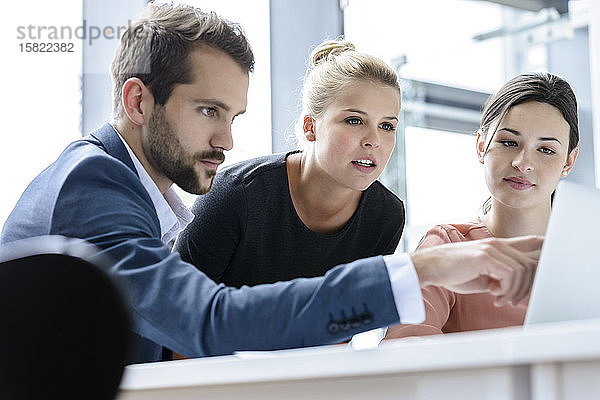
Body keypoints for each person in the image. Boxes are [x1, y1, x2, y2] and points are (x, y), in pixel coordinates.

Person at [1, 2, 541, 364]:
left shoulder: (146, 196)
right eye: (209, 110)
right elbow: (210, 321)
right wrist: (421, 271)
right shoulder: (94, 185)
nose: (226, 141)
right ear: (138, 101)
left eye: (233, 117)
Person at [175, 39, 405, 287]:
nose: (374, 141)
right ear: (310, 127)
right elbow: (171, 308)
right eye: (354, 120)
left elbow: (346, 319)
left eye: (386, 126)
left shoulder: (385, 217)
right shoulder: (234, 195)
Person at [385, 72, 579, 339]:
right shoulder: (449, 245)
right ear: (481, 146)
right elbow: (405, 346)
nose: (523, 163)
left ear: (568, 162)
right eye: (509, 142)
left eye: (545, 150)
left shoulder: (586, 255)